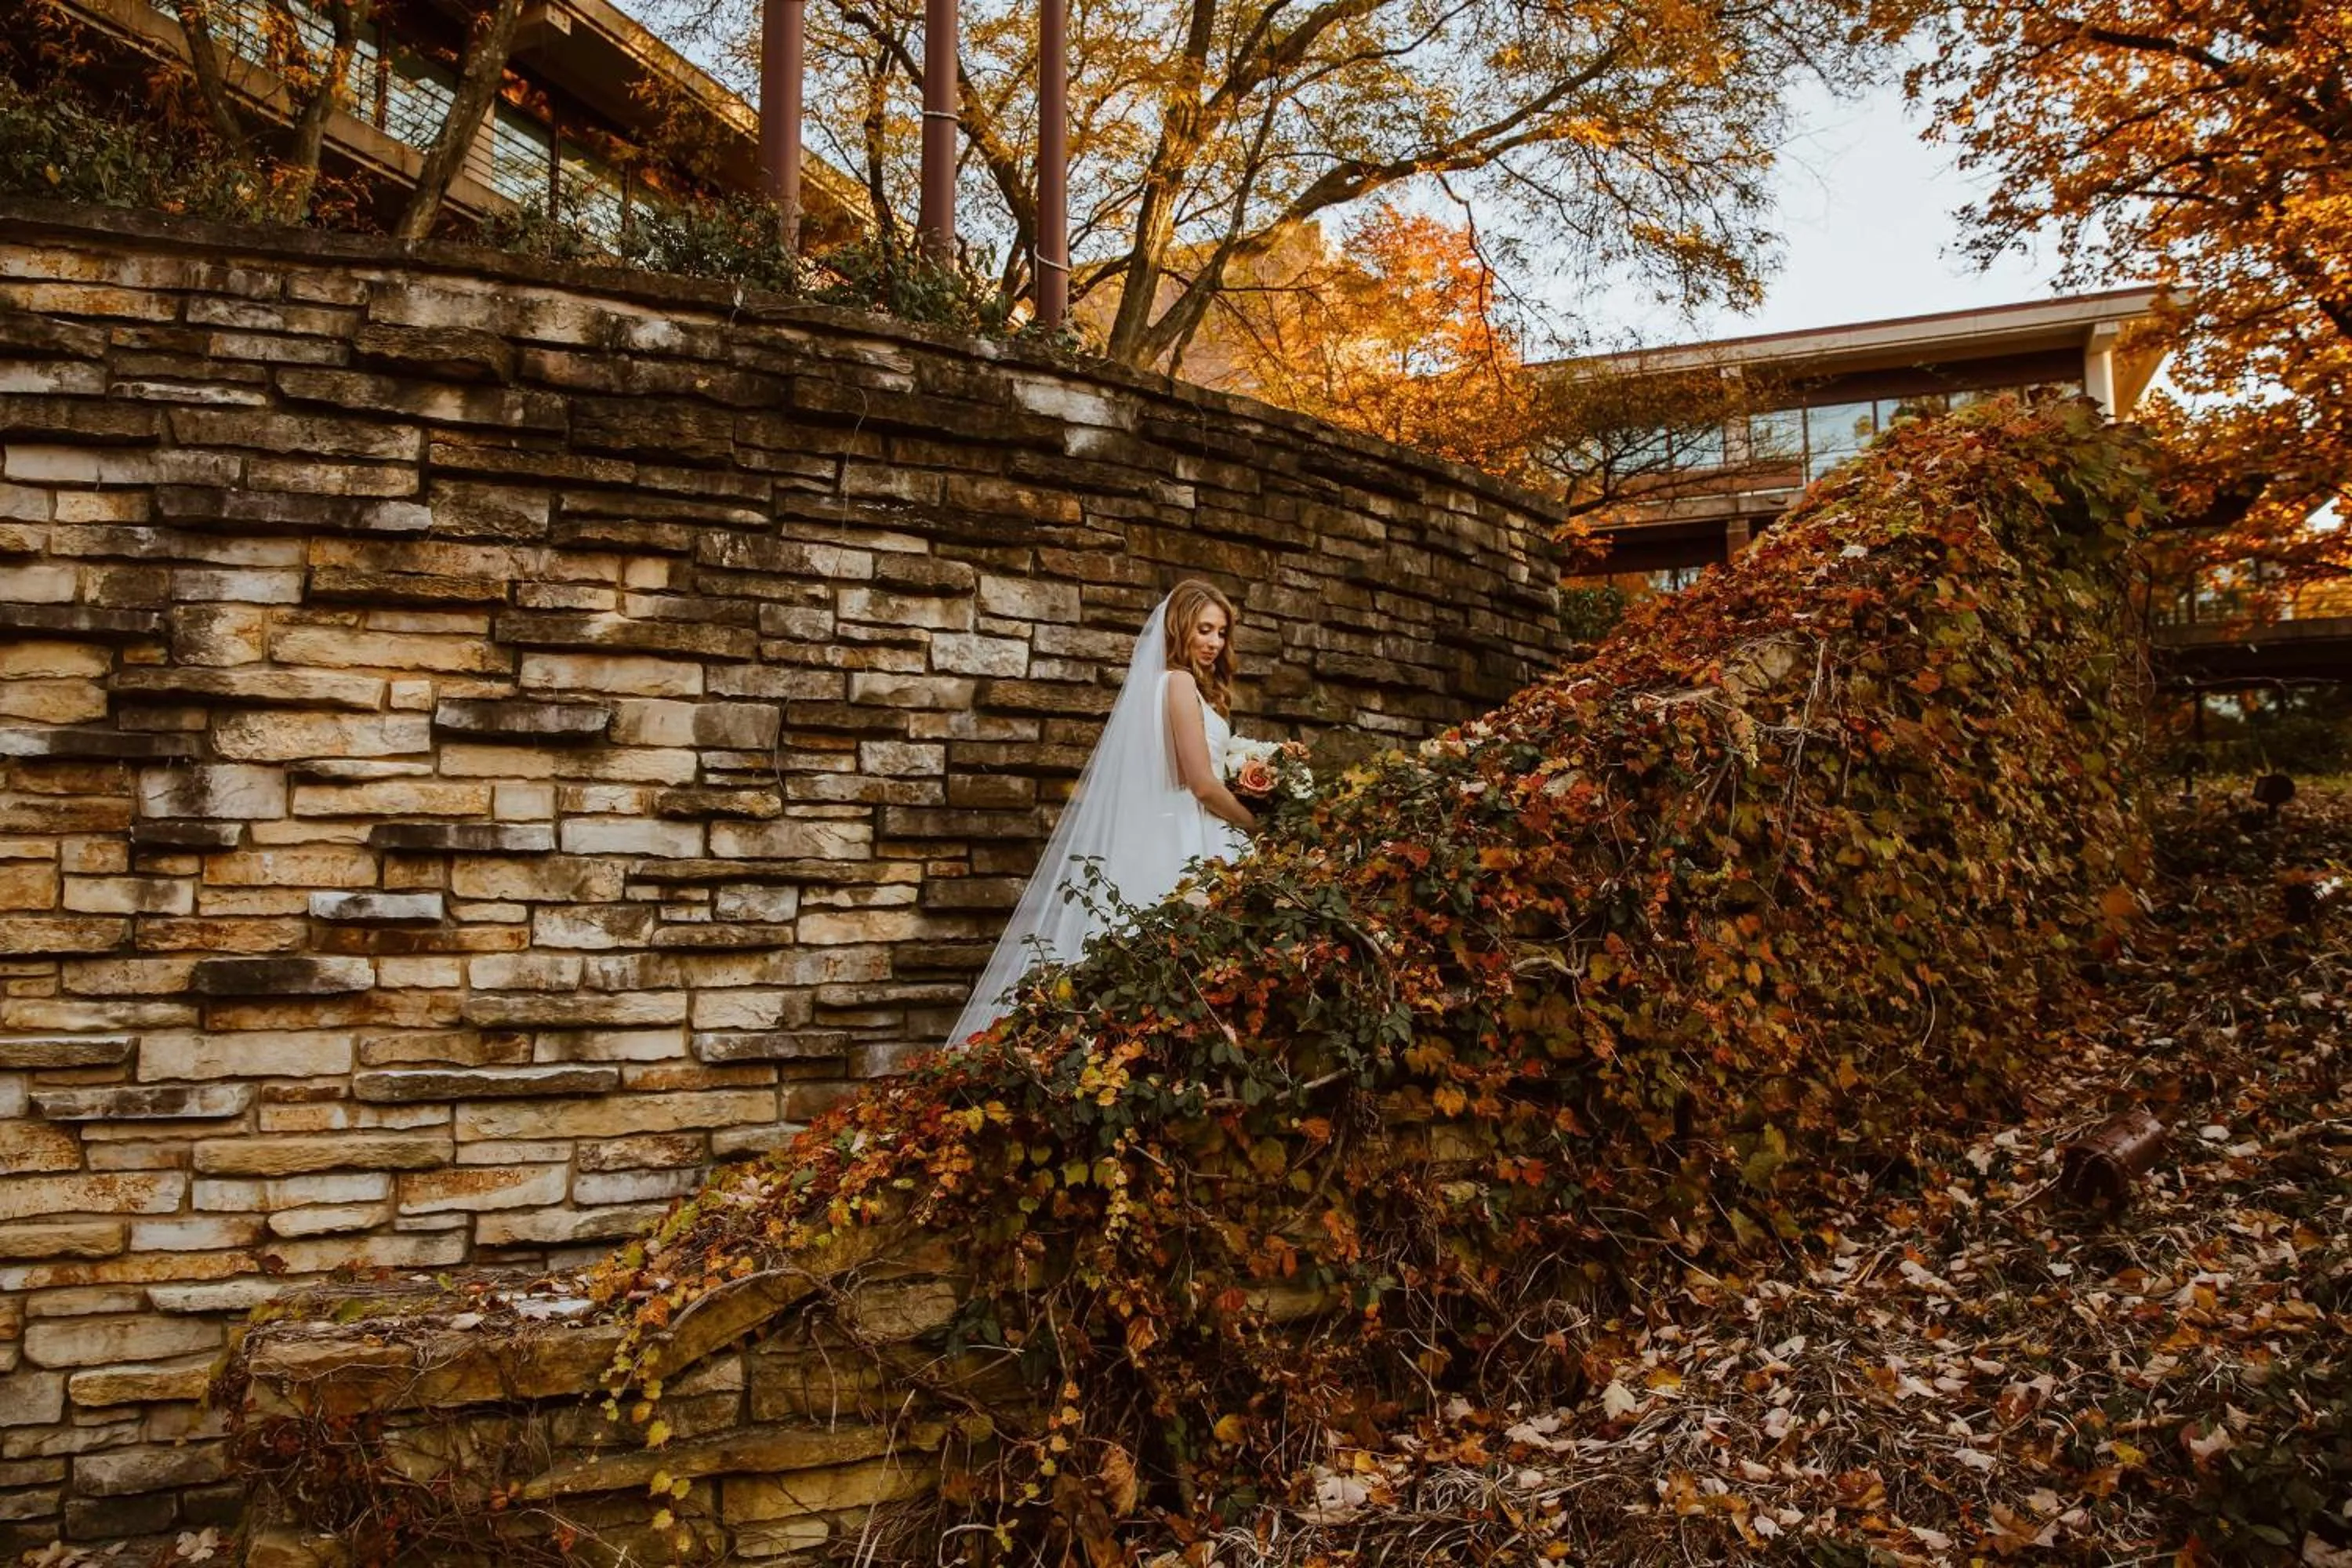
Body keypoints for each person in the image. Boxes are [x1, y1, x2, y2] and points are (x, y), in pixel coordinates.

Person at [948, 579, 1261, 1047]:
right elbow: (1199, 783)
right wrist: (1257, 821)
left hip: (1187, 826)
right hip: (1194, 832)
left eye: (1221, 632)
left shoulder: (1172, 687)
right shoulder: (1177, 682)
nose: (1215, 643)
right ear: (1180, 629)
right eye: (1204, 629)